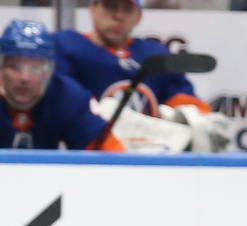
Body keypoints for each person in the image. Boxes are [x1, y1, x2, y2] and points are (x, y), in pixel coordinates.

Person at [52, 0, 228, 151]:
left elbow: (187, 102)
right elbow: (63, 101)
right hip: (92, 153)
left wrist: (184, 117)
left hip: (149, 153)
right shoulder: (68, 47)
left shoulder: (154, 54)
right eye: (111, 6)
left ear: (138, 16)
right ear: (93, 9)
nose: (119, 16)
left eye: (127, 9)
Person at [0, 20, 124, 151]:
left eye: (35, 68)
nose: (24, 78)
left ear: (49, 72)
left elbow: (109, 154)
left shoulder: (67, 97)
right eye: (15, 67)